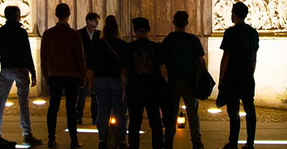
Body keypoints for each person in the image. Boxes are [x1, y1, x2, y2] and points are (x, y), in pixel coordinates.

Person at [0, 5, 43, 145]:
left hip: (6, 68)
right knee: (23, 103)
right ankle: (27, 134)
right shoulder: (21, 32)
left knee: (0, 102)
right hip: (21, 69)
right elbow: (27, 53)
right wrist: (33, 72)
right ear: (16, 16)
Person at [41, 3, 86, 149]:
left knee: (53, 106)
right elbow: (80, 57)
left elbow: (44, 56)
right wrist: (83, 75)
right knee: (71, 108)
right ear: (69, 14)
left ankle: (51, 138)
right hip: (72, 74)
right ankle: (73, 139)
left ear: (56, 14)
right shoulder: (74, 34)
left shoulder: (48, 34)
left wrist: (45, 74)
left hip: (54, 74)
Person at [161, 10, 206, 149]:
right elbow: (201, 61)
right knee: (193, 114)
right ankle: (197, 142)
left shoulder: (168, 39)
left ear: (173, 22)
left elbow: (162, 64)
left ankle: (168, 141)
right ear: (187, 23)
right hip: (190, 82)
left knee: (171, 113)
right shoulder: (193, 39)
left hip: (173, 81)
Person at [122, 17, 167, 149]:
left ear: (134, 30)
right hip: (153, 89)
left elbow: (124, 71)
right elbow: (163, 69)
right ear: (149, 30)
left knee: (134, 123)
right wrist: (165, 88)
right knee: (155, 122)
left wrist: (124, 89)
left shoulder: (128, 48)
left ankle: (134, 146)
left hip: (135, 89)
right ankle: (158, 146)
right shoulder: (156, 47)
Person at [219, 2, 259, 149]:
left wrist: (221, 78)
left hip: (232, 75)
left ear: (234, 14)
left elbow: (226, 57)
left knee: (233, 110)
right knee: (250, 109)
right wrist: (250, 73)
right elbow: (254, 56)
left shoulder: (230, 32)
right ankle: (250, 142)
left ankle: (233, 142)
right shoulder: (253, 32)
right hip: (247, 74)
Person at [87, 15, 128, 149]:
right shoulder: (122, 45)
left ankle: (102, 140)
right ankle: (121, 140)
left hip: (100, 80)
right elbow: (124, 67)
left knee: (103, 111)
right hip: (116, 80)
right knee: (119, 112)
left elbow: (91, 66)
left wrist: (90, 82)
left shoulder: (97, 44)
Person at [77, 12, 101, 125]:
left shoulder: (99, 34)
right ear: (88, 21)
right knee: (82, 92)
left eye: (97, 21)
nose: (96, 23)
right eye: (94, 21)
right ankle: (79, 115)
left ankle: (95, 116)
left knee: (94, 92)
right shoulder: (80, 33)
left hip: (95, 66)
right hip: (84, 65)